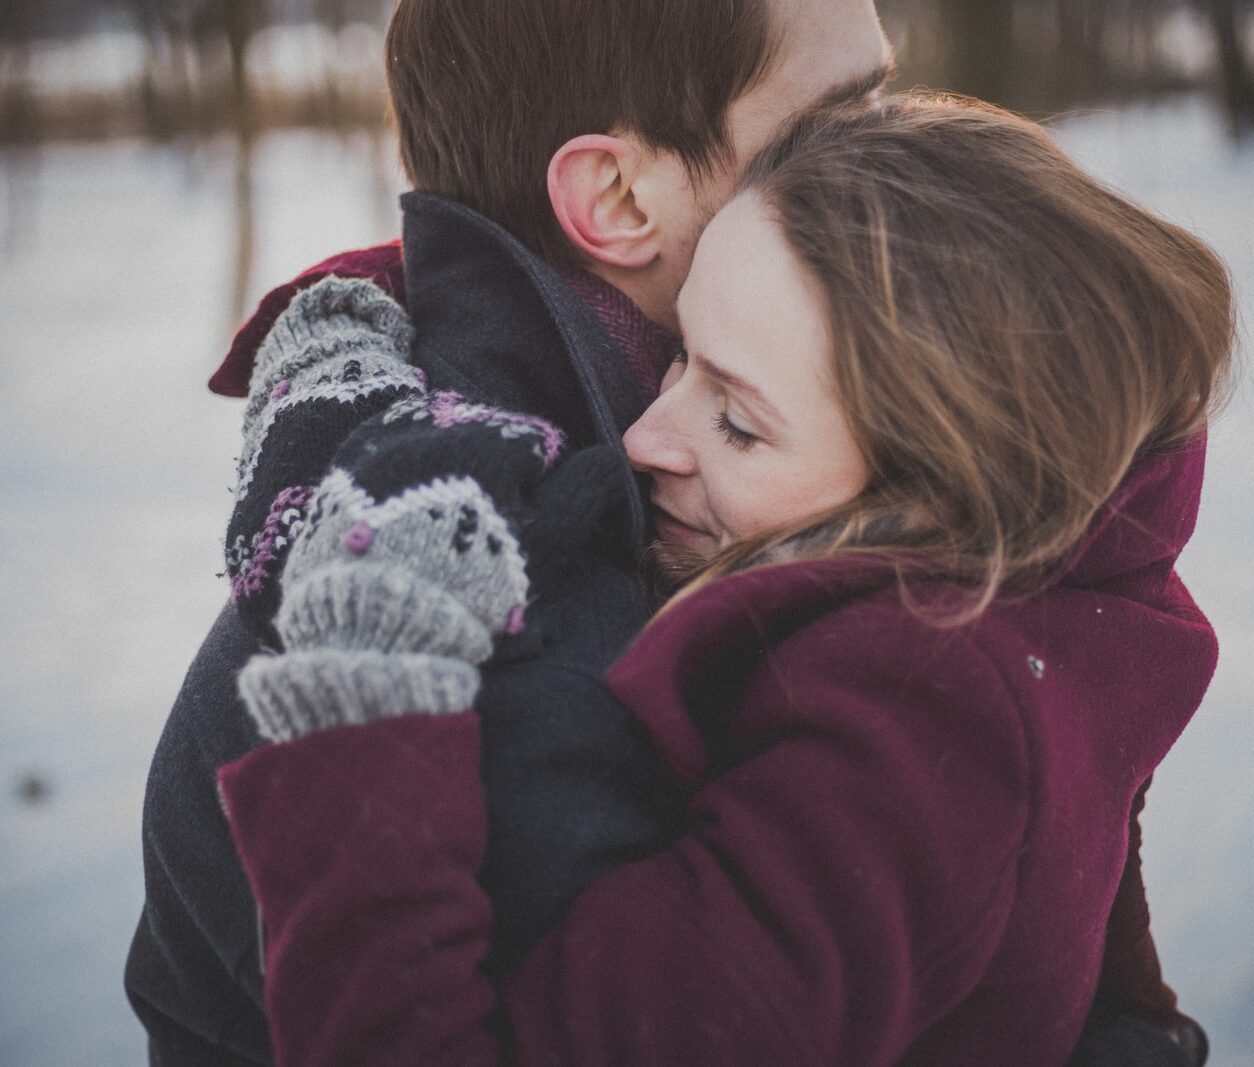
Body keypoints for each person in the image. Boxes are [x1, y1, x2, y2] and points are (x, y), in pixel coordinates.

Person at [214, 94, 1233, 1065]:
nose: (644, 438)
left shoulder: (913, 737)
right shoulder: (1055, 610)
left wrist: (367, 686)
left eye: (739, 422)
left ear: (938, 490)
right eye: (679, 354)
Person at [124, 0, 894, 1061]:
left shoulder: (677, 472)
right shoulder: (515, 629)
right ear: (616, 197)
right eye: (840, 121)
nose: (904, 157)